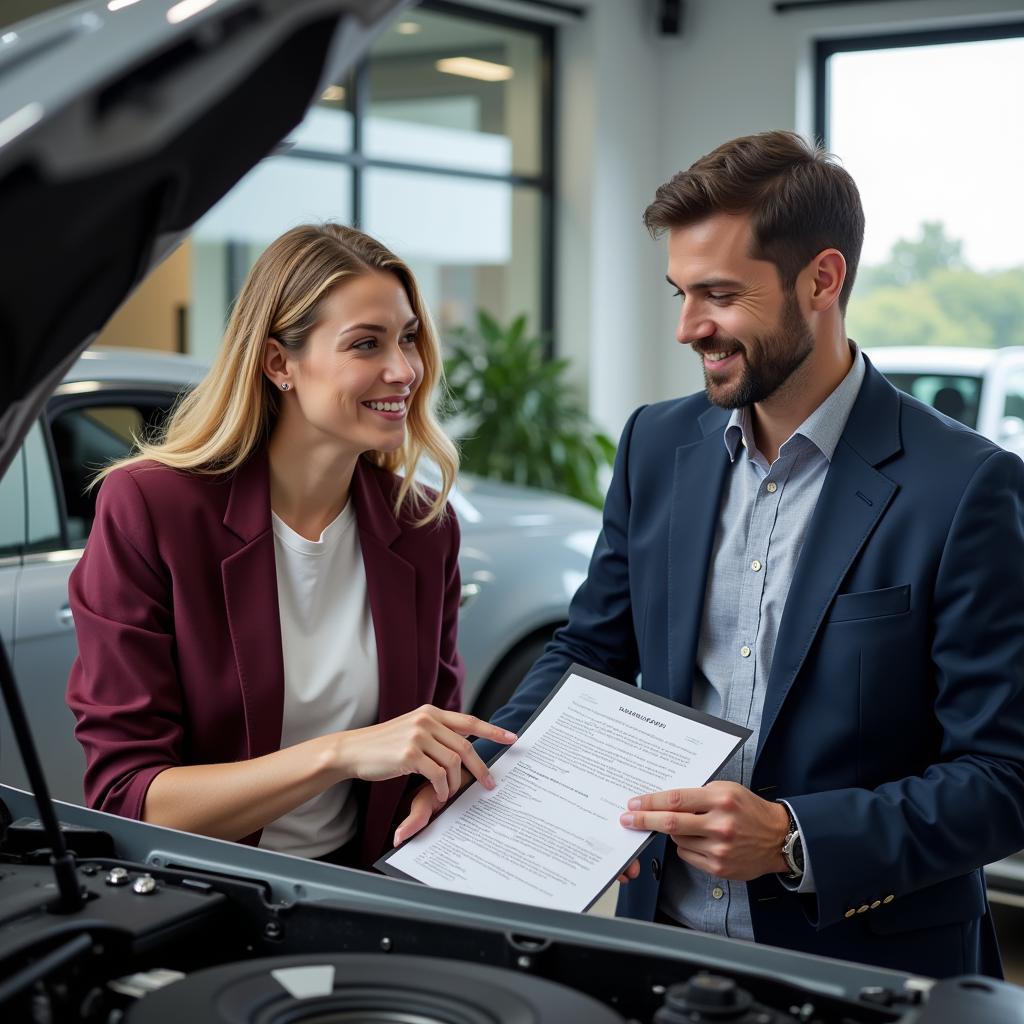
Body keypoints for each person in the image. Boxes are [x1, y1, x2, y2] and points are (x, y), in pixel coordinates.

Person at [404, 132, 1024, 976]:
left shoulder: (968, 488)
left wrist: (795, 840)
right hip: (660, 944)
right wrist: (485, 769)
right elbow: (591, 652)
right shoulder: (656, 444)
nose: (689, 327)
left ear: (823, 279)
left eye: (720, 294)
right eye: (681, 292)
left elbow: (1003, 777)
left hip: (868, 968)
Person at [66, 223, 516, 869]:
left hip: (359, 886)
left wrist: (438, 793)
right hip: (203, 891)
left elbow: (427, 747)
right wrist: (339, 752)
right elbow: (128, 799)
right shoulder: (151, 508)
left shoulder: (422, 529)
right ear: (280, 363)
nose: (404, 370)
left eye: (408, 337)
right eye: (366, 343)